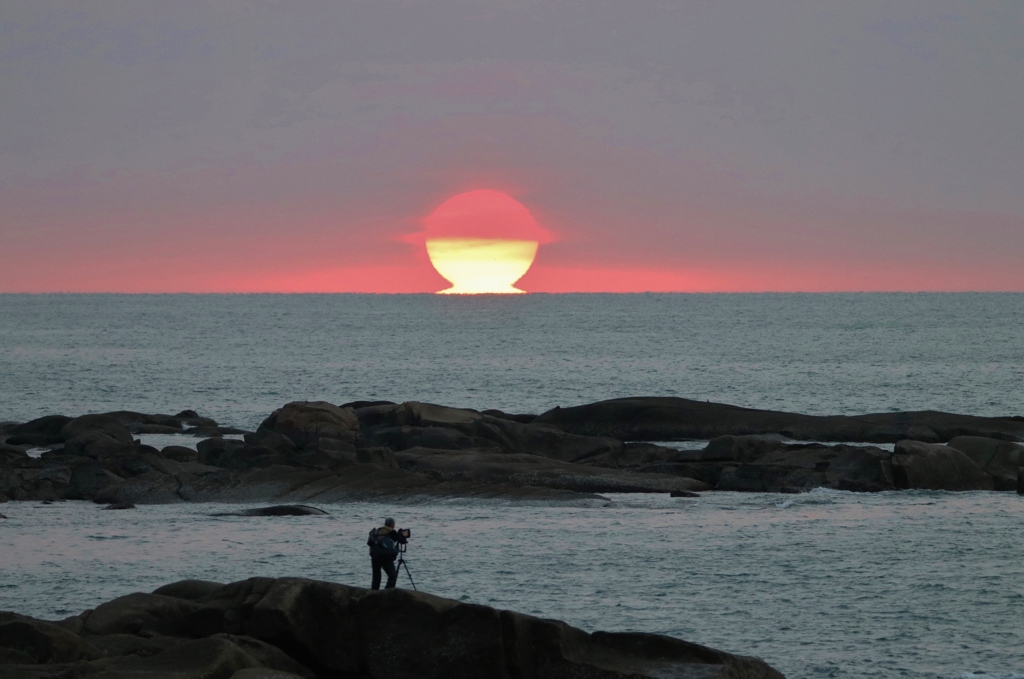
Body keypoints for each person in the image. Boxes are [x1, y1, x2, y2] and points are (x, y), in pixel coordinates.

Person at [367, 517, 407, 590]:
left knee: (376, 577)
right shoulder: (391, 532)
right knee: (392, 576)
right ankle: (387, 593)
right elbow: (401, 540)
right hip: (384, 556)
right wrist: (402, 535)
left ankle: (373, 594)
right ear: (393, 525)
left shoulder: (377, 531)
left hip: (374, 555)